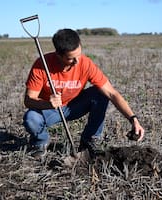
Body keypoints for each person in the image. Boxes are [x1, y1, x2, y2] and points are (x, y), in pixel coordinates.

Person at [23, 29, 144, 159]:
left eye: (79, 55)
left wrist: (133, 119)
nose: (77, 61)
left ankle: (88, 141)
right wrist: (48, 103)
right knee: (31, 119)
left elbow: (112, 93)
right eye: (71, 58)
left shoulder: (85, 63)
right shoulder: (41, 65)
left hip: (75, 106)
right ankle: (40, 142)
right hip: (50, 110)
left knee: (100, 93)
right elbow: (28, 100)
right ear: (58, 54)